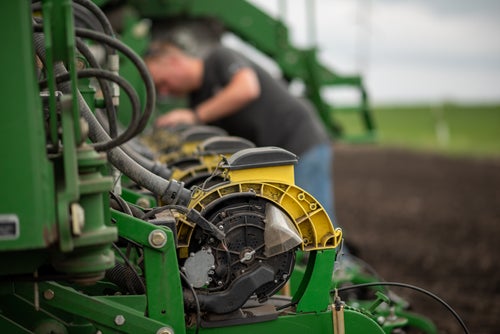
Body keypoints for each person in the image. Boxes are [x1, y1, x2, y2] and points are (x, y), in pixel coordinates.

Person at [144, 41, 335, 219]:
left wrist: (195, 116)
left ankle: (341, 256)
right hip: (275, 155)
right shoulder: (197, 99)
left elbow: (247, 89)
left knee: (313, 220)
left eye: (162, 83)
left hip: (298, 138)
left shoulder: (219, 57)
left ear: (173, 61)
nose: (164, 92)